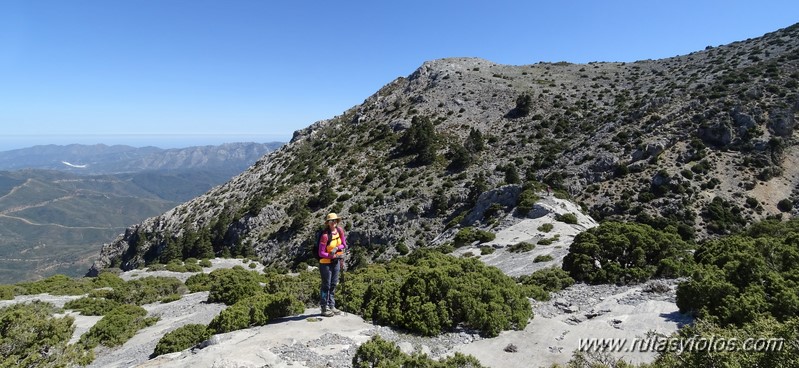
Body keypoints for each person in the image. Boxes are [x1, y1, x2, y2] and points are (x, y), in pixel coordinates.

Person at [318, 212, 347, 317]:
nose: (333, 222)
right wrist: (332, 256)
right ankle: (323, 307)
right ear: (328, 223)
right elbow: (321, 253)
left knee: (334, 284)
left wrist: (337, 248)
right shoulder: (325, 236)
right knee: (326, 285)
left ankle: (331, 305)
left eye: (335, 220)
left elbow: (344, 244)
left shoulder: (340, 231)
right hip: (325, 263)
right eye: (331, 221)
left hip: (336, 262)